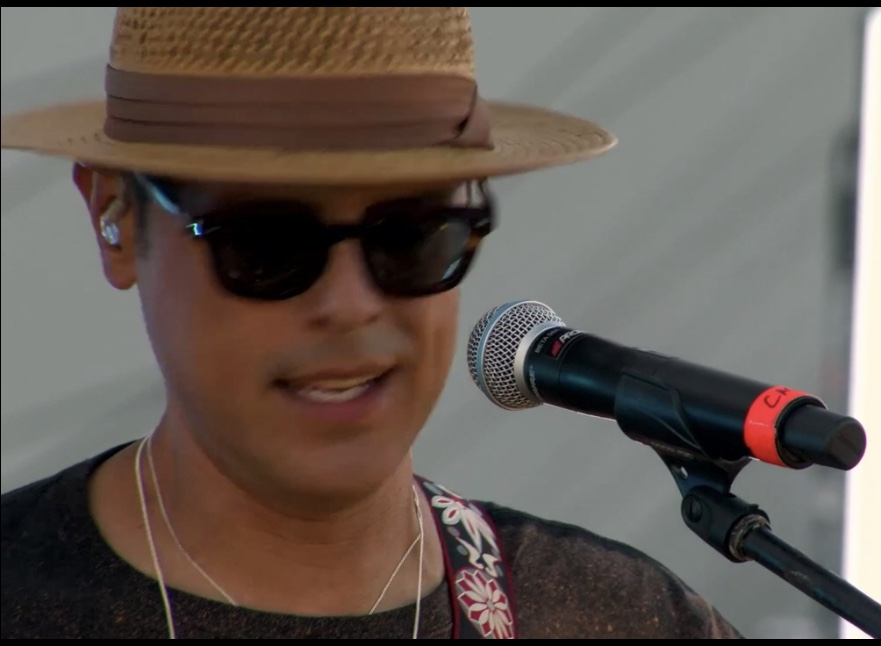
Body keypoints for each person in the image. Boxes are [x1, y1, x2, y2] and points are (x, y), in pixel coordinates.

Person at [0, 7, 743, 639]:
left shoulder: (619, 617)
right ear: (114, 217)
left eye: (411, 234)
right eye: (268, 244)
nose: (351, 302)